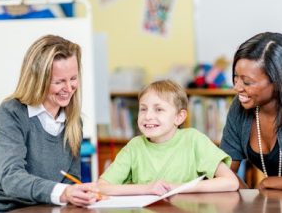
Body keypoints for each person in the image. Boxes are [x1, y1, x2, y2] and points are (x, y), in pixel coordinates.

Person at [0, 35, 98, 211]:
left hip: (45, 208)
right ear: (38, 81)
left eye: (73, 78)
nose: (69, 89)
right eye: (59, 81)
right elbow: (12, 179)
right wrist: (64, 192)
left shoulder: (73, 121)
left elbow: (71, 180)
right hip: (5, 209)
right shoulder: (12, 113)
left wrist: (78, 193)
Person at [97, 80, 239, 195]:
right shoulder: (134, 147)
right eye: (143, 109)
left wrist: (176, 187)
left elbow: (230, 182)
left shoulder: (194, 140)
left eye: (159, 109)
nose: (148, 116)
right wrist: (147, 188)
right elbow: (101, 187)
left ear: (179, 117)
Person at [220, 32, 282, 191]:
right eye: (235, 77)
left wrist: (268, 183)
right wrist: (248, 198)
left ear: (278, 81)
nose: (237, 87)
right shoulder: (240, 106)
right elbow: (223, 171)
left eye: (247, 82)